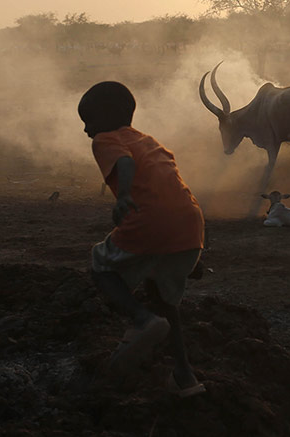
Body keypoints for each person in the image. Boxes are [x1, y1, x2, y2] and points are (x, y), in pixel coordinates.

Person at [78, 81, 206, 397]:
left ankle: (140, 319)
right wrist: (191, 254)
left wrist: (122, 197)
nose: (86, 131)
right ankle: (184, 377)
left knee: (101, 265)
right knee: (165, 301)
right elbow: (172, 189)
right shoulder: (150, 141)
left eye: (88, 122)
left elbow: (124, 163)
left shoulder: (107, 140)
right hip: (189, 225)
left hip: (147, 221)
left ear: (104, 120)